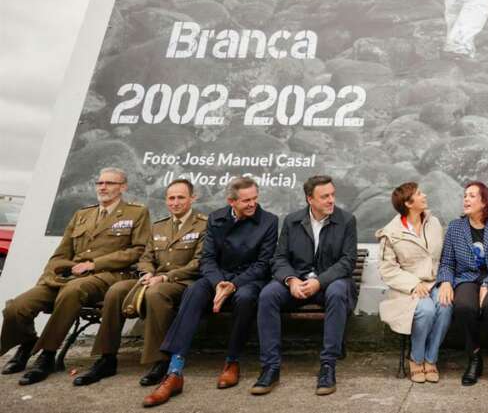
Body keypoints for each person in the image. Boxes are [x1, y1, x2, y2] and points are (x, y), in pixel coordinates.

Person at [1, 168, 150, 385]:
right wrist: (48, 276)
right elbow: (61, 253)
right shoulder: (83, 214)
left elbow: (138, 250)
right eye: (100, 183)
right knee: (17, 307)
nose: (103, 187)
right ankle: (28, 343)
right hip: (71, 276)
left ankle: (47, 355)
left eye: (110, 183)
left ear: (123, 187)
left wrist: (94, 264)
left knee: (73, 291)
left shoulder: (136, 213)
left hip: (108, 276)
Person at [142, 176, 278, 408]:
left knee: (245, 299)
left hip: (249, 279)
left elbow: (263, 264)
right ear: (231, 201)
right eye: (246, 200)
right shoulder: (216, 218)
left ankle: (232, 361)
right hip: (217, 276)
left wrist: (232, 285)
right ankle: (174, 371)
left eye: (255, 198)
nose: (252, 204)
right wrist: (218, 284)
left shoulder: (269, 221)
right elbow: (207, 259)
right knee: (194, 291)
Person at [74, 179, 207, 388]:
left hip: (182, 282)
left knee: (157, 293)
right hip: (151, 278)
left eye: (181, 197)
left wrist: (164, 277)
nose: (175, 202)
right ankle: (107, 358)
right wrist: (147, 272)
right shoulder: (159, 226)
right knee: (116, 290)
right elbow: (146, 257)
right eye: (171, 198)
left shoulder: (204, 224)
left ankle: (160, 360)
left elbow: (199, 262)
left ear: (192, 198)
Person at [252, 175, 357, 396]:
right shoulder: (292, 221)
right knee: (268, 294)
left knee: (338, 292)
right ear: (310, 199)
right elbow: (279, 258)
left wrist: (319, 281)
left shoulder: (346, 220)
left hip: (329, 284)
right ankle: (270, 366)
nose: (331, 200)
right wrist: (291, 280)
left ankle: (328, 365)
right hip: (297, 283)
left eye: (332, 195)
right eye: (325, 196)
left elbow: (347, 261)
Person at [436, 182, 488, 388]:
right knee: (463, 306)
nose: (466, 200)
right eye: (465, 196)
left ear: (484, 201)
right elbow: (447, 262)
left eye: (471, 196)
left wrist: (487, 283)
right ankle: (474, 358)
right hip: (467, 278)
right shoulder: (455, 227)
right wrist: (445, 281)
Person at [376, 182, 448, 384]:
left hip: (436, 282)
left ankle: (431, 358)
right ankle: (416, 359)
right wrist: (414, 284)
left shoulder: (433, 223)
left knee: (445, 306)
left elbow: (445, 257)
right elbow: (387, 269)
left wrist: (445, 282)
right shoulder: (391, 232)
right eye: (419, 194)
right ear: (408, 203)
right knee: (426, 310)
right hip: (408, 288)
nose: (424, 195)